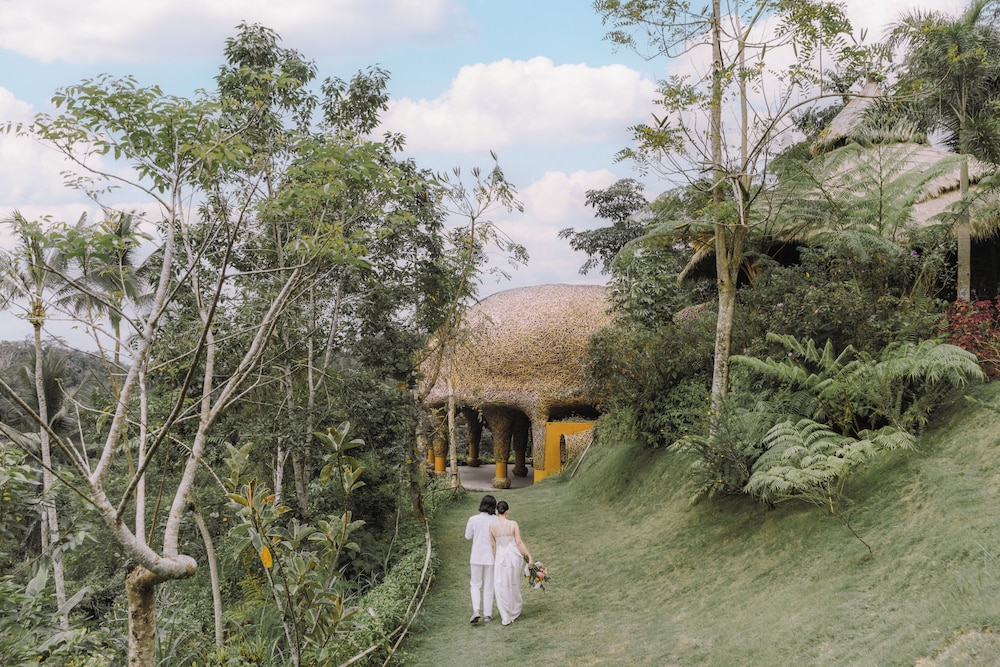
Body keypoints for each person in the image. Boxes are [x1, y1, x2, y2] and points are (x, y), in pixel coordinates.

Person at [489, 500, 533, 626]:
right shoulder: (513, 524)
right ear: (507, 511)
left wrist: (496, 559)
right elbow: (519, 542)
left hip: (500, 557)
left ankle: (506, 615)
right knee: (514, 583)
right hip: (513, 556)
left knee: (501, 584)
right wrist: (529, 556)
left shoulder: (492, 526)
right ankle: (514, 611)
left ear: (497, 512)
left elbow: (493, 546)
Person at [464, 494, 497, 624]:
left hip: (476, 556)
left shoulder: (473, 519)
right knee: (489, 585)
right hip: (491, 557)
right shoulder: (495, 520)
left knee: (475, 584)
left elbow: (467, 536)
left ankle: (476, 610)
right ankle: (487, 614)